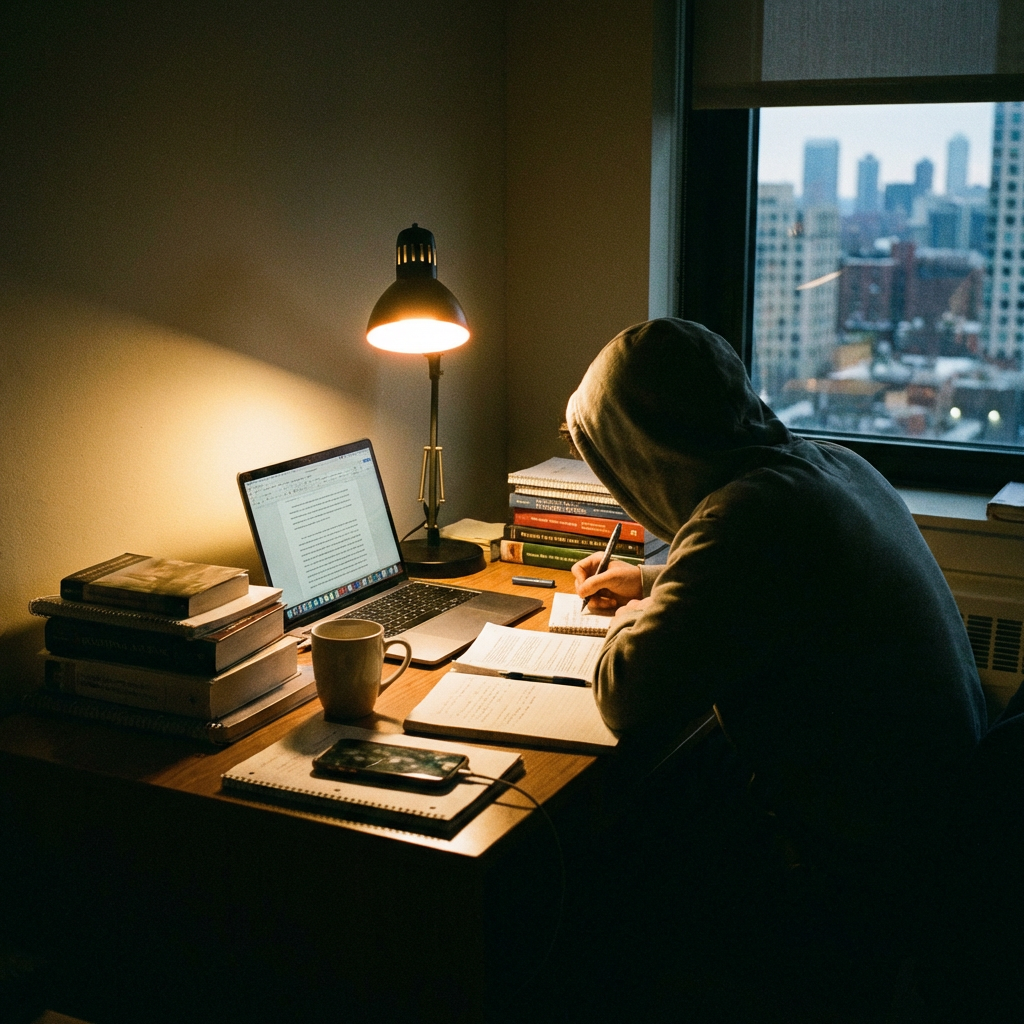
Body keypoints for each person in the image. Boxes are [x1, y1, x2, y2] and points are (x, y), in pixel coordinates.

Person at [565, 318, 986, 920]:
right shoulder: (832, 463)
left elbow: (626, 693)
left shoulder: (745, 518)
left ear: (647, 455)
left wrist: (628, 616)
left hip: (863, 855)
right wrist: (650, 579)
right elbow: (776, 589)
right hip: (939, 807)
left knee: (623, 858)